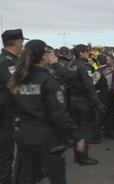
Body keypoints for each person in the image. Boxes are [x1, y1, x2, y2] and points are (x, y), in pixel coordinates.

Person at [9, 39, 86, 184]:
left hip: (24, 135)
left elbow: (12, 107)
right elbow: (59, 114)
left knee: (27, 176)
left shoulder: (18, 78)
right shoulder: (48, 80)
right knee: (57, 178)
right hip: (46, 138)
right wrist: (76, 136)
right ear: (44, 56)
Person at [66, 44, 106, 166]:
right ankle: (83, 158)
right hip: (82, 101)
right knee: (84, 130)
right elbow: (89, 88)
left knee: (77, 129)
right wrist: (99, 104)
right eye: (86, 52)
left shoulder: (71, 65)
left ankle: (77, 156)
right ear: (81, 53)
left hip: (73, 100)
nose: (89, 54)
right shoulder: (84, 67)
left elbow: (68, 84)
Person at [0, 29, 27, 184]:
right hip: (6, 115)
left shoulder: (13, 61)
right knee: (6, 154)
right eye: (22, 42)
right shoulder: (5, 63)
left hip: (14, 114)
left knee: (23, 151)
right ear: (17, 42)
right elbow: (19, 87)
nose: (22, 44)